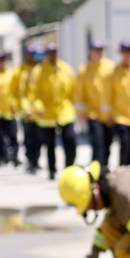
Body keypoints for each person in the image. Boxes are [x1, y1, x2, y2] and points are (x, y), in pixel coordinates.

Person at [31, 43, 77, 179]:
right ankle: (52, 170)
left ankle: (69, 169)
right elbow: (33, 94)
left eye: (54, 52)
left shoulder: (66, 69)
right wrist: (38, 107)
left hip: (65, 111)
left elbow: (73, 91)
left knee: (70, 140)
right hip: (46, 113)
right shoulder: (38, 71)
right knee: (50, 145)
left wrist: (77, 108)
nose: (52, 55)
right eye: (50, 52)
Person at [75, 41, 115, 168]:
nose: (98, 53)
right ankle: (96, 171)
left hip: (109, 116)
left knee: (107, 145)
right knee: (97, 144)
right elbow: (79, 94)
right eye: (95, 50)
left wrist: (114, 114)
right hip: (93, 115)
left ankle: (104, 169)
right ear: (90, 52)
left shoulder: (111, 67)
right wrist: (81, 114)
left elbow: (116, 91)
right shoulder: (84, 69)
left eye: (100, 50)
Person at [105, 40, 130, 165]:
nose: (127, 54)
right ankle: (123, 173)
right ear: (121, 53)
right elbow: (109, 95)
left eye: (129, 51)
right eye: (124, 51)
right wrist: (109, 114)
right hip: (120, 117)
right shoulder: (115, 71)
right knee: (125, 145)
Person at [11, 46, 41, 173]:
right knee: (29, 137)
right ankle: (30, 160)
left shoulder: (40, 70)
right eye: (29, 55)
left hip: (39, 111)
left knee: (39, 138)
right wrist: (17, 107)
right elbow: (15, 92)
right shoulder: (20, 72)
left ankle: (36, 160)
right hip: (26, 110)